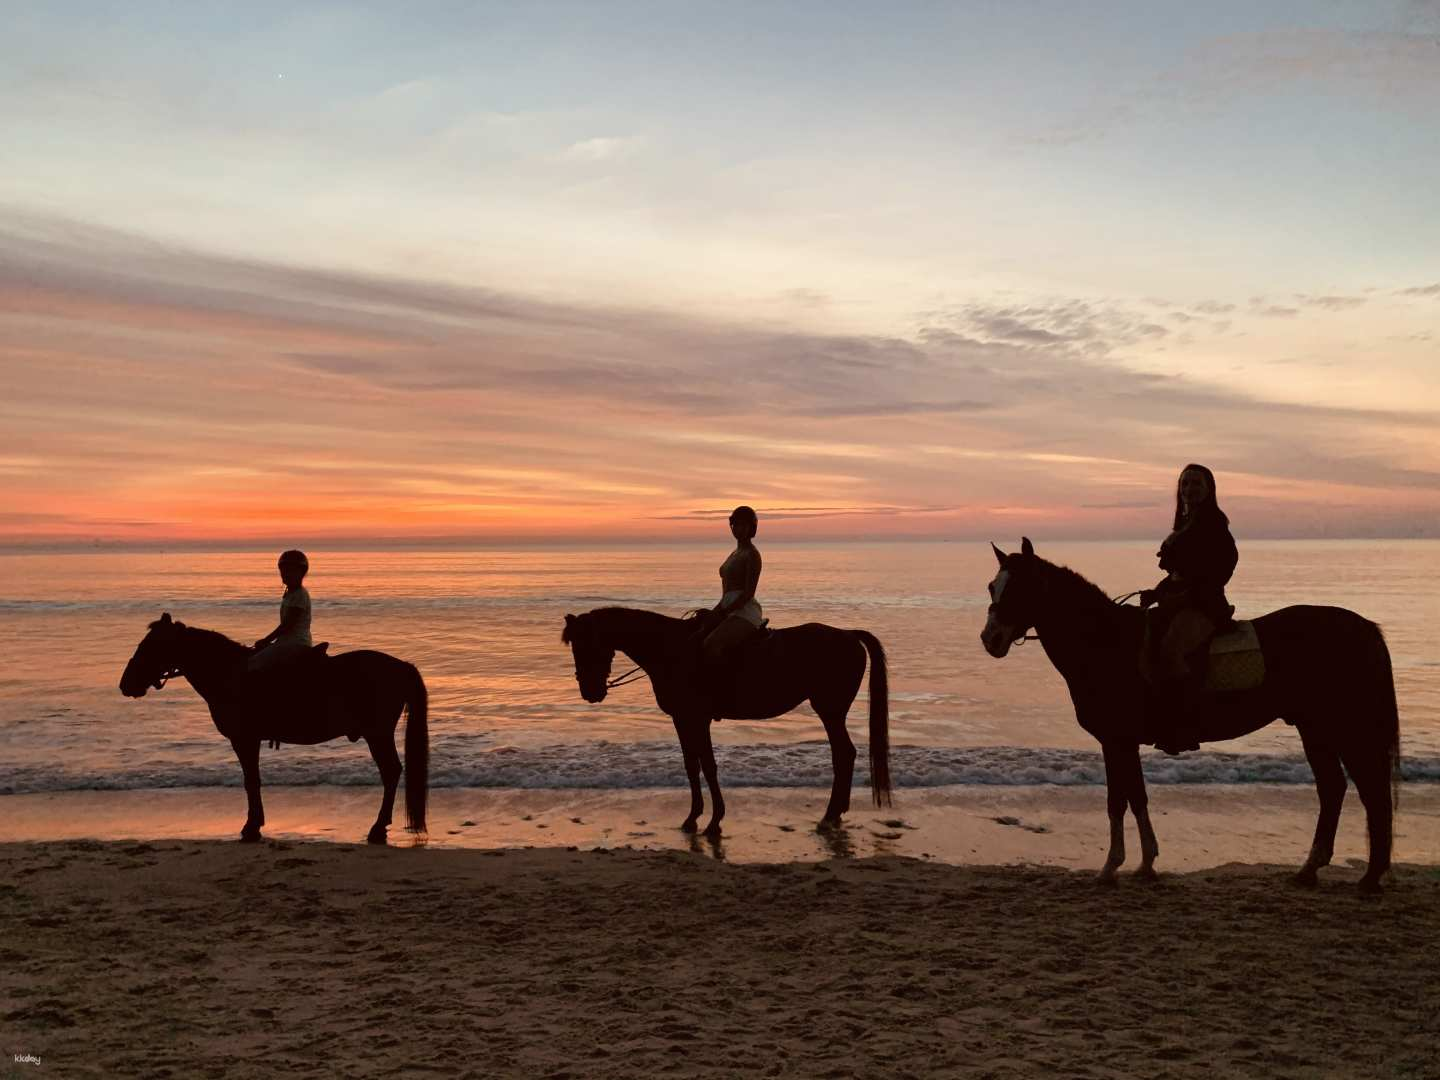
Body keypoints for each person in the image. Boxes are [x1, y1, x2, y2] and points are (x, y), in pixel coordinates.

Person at [1139, 464, 1238, 754]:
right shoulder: (1185, 524)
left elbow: (1222, 569)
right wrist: (1157, 593)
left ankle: (1185, 726)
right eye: (1185, 484)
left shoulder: (1214, 524)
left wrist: (1185, 597)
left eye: (1196, 483)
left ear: (1209, 489)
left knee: (1172, 651)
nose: (1189, 489)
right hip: (1178, 602)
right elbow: (1178, 574)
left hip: (1204, 606)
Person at [698, 506, 765, 688]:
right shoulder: (735, 553)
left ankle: (722, 689)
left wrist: (723, 612)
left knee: (712, 645)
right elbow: (726, 593)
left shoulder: (752, 554)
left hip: (744, 612)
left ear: (751, 528)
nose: (738, 529)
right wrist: (715, 611)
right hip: (728, 609)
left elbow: (748, 594)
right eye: (735, 525)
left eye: (743, 525)